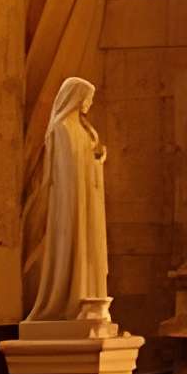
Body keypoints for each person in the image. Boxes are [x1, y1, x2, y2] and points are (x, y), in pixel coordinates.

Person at [28, 75, 112, 323]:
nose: (89, 103)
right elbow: (67, 170)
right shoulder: (62, 128)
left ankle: (89, 301)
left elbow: (87, 162)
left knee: (88, 247)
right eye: (87, 98)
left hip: (87, 201)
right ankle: (70, 300)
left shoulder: (85, 130)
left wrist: (97, 159)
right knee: (73, 244)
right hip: (72, 201)